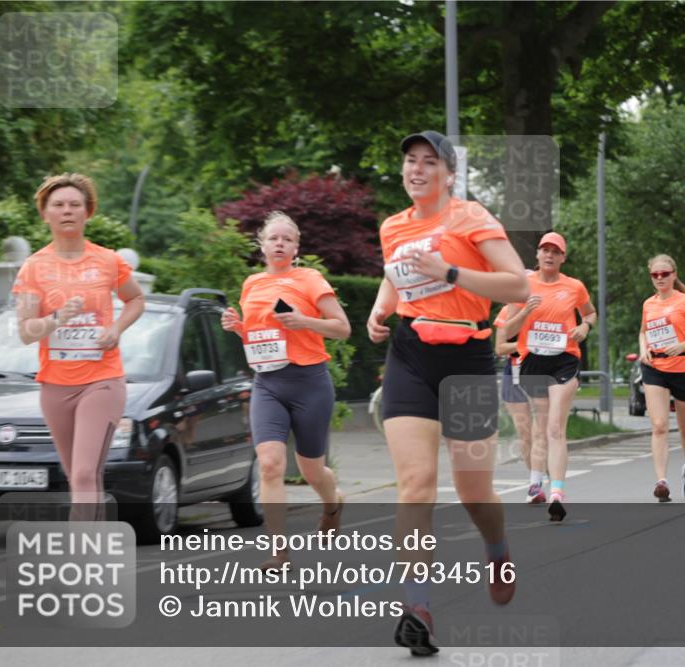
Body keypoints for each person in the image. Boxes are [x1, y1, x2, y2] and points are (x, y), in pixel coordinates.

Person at [366, 131, 528, 656]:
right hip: (410, 355)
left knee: (473, 492)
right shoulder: (393, 226)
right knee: (415, 484)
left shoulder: (471, 217)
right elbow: (396, 276)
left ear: (449, 175)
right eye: (410, 161)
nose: (416, 169)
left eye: (429, 162)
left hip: (467, 361)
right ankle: (418, 608)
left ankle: (497, 550)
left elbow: (518, 285)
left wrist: (452, 272)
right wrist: (380, 308)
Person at [221, 211, 350, 570]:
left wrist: (303, 321)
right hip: (268, 384)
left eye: (287, 239)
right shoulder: (251, 284)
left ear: (296, 248)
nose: (279, 244)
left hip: (309, 383)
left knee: (313, 472)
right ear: (262, 245)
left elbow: (342, 328)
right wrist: (239, 328)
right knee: (270, 465)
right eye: (273, 238)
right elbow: (260, 337)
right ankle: (279, 552)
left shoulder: (309, 279)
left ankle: (332, 504)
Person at [14, 173, 145, 520]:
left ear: (88, 212)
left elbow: (135, 299)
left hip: (102, 380)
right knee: (79, 477)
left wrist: (116, 328)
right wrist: (57, 318)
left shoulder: (108, 260)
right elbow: (26, 331)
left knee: (86, 473)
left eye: (75, 204)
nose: (67, 210)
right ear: (45, 214)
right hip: (55, 386)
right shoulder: (33, 268)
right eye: (58, 205)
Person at [500, 232, 595, 521]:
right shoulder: (523, 286)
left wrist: (585, 327)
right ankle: (536, 482)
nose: (550, 255)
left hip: (564, 360)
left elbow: (590, 313)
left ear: (563, 257)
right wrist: (525, 312)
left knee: (555, 427)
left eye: (555, 251)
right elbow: (506, 332)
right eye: (545, 250)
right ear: (538, 255)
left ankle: (557, 493)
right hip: (533, 363)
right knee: (542, 426)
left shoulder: (574, 286)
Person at [638, 254, 685, 502]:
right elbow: (643, 332)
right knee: (659, 425)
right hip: (655, 368)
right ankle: (661, 481)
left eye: (664, 274)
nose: (659, 278)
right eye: (655, 275)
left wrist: (683, 345)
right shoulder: (648, 304)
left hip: (684, 368)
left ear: (674, 275)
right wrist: (643, 349)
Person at [493, 303, 538, 501]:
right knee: (524, 432)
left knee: (544, 430)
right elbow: (500, 348)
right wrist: (527, 344)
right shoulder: (507, 311)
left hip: (542, 370)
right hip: (514, 371)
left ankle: (546, 473)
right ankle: (535, 482)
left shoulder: (545, 307)